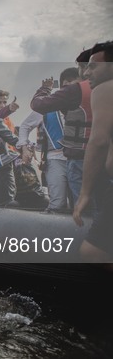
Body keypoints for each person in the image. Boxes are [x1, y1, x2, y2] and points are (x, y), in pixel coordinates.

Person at [31, 47, 93, 205]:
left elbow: (37, 104)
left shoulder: (76, 92)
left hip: (80, 158)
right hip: (98, 156)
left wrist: (44, 89)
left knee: (82, 205)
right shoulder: (102, 89)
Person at [72, 41, 113, 263]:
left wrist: (84, 192)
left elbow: (98, 141)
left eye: (93, 66)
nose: (87, 72)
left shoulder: (105, 89)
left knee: (91, 251)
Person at [17, 67, 80, 212]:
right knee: (57, 202)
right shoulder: (50, 105)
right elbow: (25, 126)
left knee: (81, 202)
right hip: (55, 159)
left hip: (79, 159)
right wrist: (24, 147)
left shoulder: (86, 103)